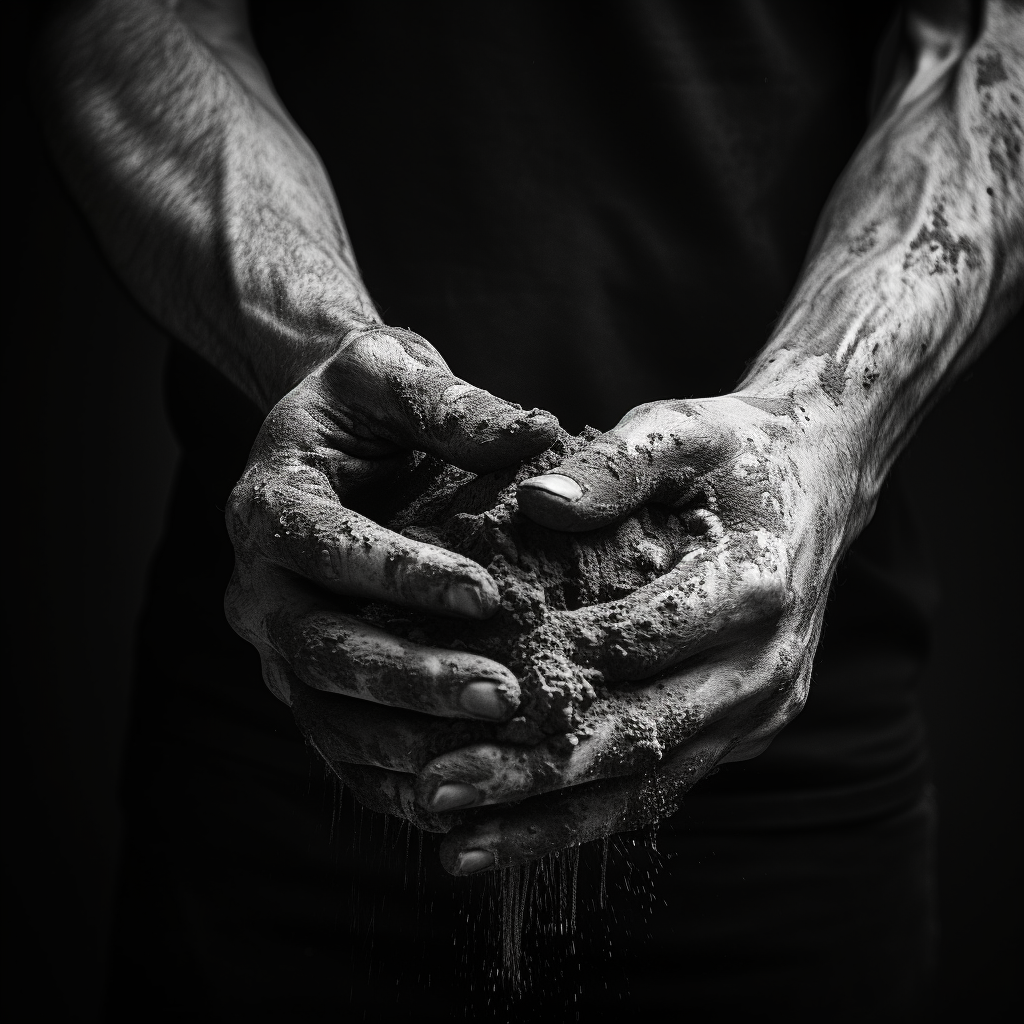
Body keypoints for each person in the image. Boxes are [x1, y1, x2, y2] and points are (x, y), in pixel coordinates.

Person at [33, 0, 1022, 1019]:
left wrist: (821, 409)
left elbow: (987, 45)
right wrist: (316, 348)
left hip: (770, 730)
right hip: (299, 710)